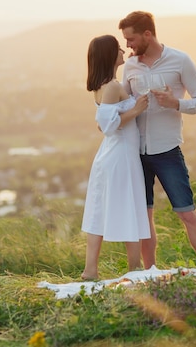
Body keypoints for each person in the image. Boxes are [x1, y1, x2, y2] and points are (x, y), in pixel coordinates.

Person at [119, 11, 196, 269]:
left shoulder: (180, 60)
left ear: (147, 34)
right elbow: (122, 105)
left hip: (167, 150)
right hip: (135, 152)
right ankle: (149, 273)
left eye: (131, 39)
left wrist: (176, 104)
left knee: (187, 212)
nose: (128, 45)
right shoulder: (130, 66)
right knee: (144, 217)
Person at [81, 34, 151, 280]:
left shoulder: (105, 84)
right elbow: (109, 126)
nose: (123, 51)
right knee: (128, 207)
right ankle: (134, 269)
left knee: (99, 210)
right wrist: (137, 109)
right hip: (120, 155)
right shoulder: (111, 86)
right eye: (119, 48)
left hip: (113, 154)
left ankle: (91, 269)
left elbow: (102, 125)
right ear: (110, 55)